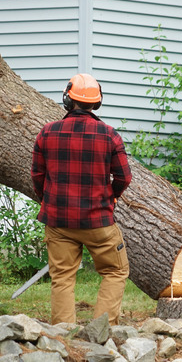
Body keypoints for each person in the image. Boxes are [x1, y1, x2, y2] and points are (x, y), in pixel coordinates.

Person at [31, 73, 132, 326]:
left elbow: (37, 175)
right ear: (96, 103)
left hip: (58, 221)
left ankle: (63, 338)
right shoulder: (109, 135)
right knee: (115, 271)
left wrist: (50, 201)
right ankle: (102, 330)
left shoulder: (47, 132)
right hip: (98, 221)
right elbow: (123, 178)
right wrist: (112, 196)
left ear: (68, 99)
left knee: (62, 277)